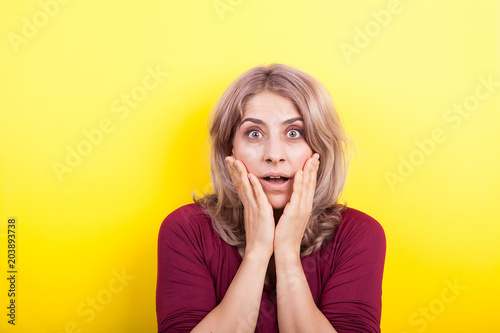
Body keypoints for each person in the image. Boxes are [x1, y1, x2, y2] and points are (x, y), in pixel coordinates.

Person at [156, 63, 386, 332]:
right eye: (254, 134)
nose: (274, 155)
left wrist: (287, 253)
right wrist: (258, 250)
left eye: (294, 133)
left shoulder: (359, 234)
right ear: (230, 148)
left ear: (320, 147)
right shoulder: (185, 230)